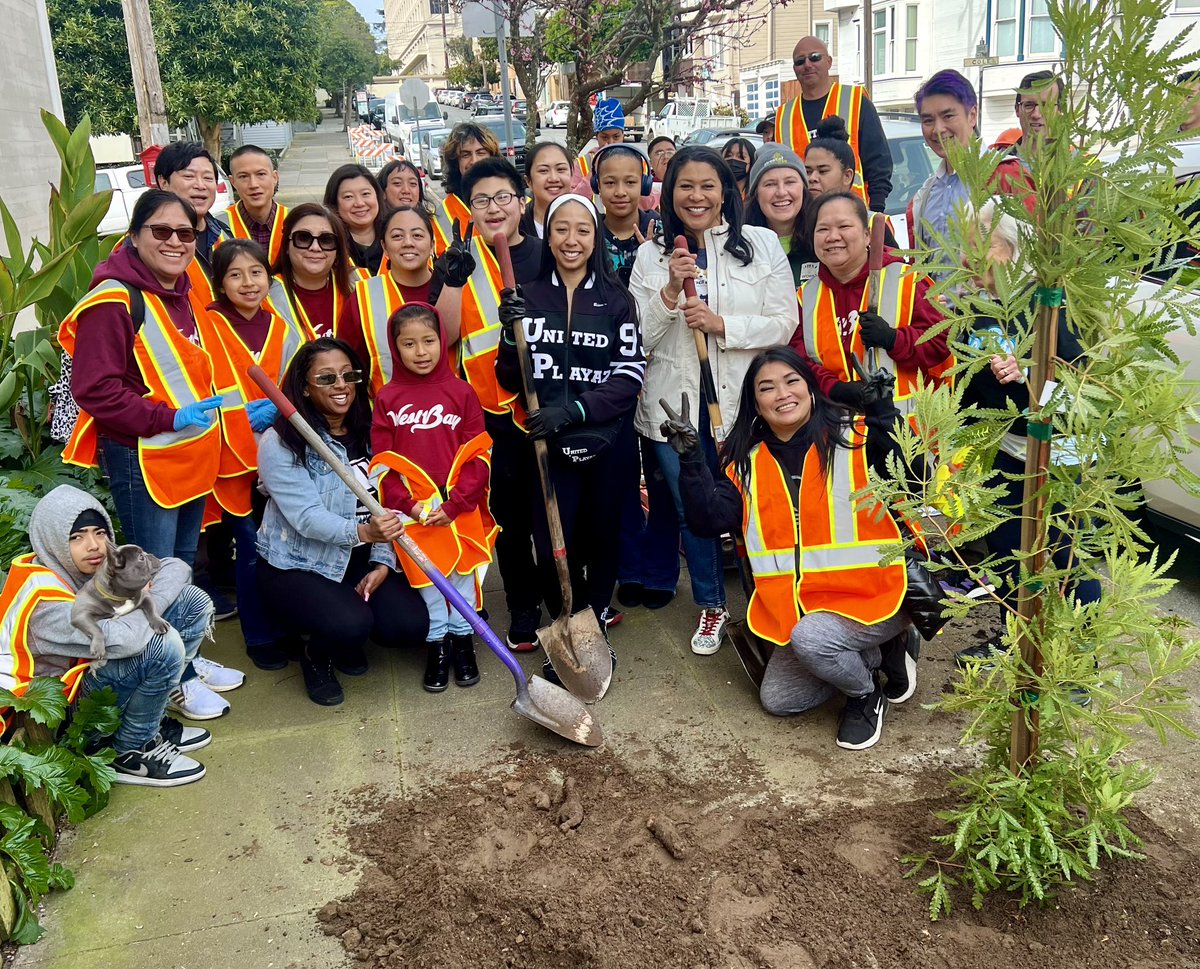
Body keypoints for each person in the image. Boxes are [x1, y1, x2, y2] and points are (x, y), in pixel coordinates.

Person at [670, 347, 917, 750]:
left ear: (811, 388)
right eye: (766, 388)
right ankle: (871, 657)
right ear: (756, 404)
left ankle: (865, 693)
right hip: (803, 614)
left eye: (791, 381)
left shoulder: (855, 438)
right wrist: (693, 463)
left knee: (814, 640)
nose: (782, 394)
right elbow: (706, 521)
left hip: (878, 599)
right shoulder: (745, 464)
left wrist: (884, 414)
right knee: (780, 700)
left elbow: (912, 474)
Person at [58, 189, 241, 719]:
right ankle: (169, 681)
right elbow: (96, 390)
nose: (176, 242)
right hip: (144, 463)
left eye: (186, 233)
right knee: (150, 585)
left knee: (179, 573)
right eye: (161, 231)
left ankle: (183, 663)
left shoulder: (178, 292)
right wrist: (165, 418)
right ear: (134, 235)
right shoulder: (114, 299)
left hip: (185, 461)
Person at [628, 145, 797, 656]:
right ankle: (711, 604)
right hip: (676, 408)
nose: (697, 196)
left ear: (726, 190)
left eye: (708, 185)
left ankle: (771, 596)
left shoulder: (761, 245)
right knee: (693, 510)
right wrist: (671, 293)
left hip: (745, 402)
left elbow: (784, 320)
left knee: (758, 504)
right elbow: (638, 336)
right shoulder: (650, 255)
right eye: (685, 186)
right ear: (668, 192)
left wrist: (724, 326)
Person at [495, 194, 646, 679]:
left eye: (583, 229)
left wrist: (575, 410)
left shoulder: (618, 298)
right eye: (561, 229)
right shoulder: (530, 296)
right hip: (546, 445)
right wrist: (507, 332)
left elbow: (629, 374)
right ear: (547, 235)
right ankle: (568, 616)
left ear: (595, 236)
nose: (572, 239)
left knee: (602, 534)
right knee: (552, 539)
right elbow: (508, 376)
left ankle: (595, 616)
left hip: (606, 439)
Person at [953, 200, 1099, 663]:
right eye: (965, 251)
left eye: (981, 251)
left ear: (1013, 252)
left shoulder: (1050, 305)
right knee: (1004, 546)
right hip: (1004, 447)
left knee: (1063, 554)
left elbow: (1085, 387)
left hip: (1060, 454)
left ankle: (1076, 653)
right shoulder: (978, 307)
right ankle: (1015, 638)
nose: (968, 262)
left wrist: (1036, 374)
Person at [2, 486, 216, 785]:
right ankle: (128, 749)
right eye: (76, 537)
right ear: (53, 541)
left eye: (99, 532)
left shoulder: (88, 568)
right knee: (159, 644)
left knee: (191, 603)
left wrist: (146, 598)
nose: (93, 546)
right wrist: (144, 598)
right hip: (52, 721)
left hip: (85, 683)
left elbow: (174, 567)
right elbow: (128, 640)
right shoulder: (44, 602)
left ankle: (141, 724)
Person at [256, 338, 428, 706]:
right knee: (349, 625)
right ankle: (317, 656)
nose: (341, 385)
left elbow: (387, 504)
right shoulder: (281, 442)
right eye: (326, 378)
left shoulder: (373, 432)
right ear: (304, 386)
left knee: (410, 626)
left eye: (348, 374)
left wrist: (383, 560)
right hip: (300, 564)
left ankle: (347, 630)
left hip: (362, 558)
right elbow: (305, 517)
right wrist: (363, 532)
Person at [370, 304, 495, 693]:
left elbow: (479, 454)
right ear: (395, 347)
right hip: (414, 514)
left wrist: (455, 504)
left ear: (442, 341)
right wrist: (410, 506)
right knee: (428, 582)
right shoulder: (388, 397)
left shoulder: (461, 391)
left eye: (428, 341)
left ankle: (463, 644)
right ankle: (437, 646)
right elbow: (382, 465)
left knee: (461, 580)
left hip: (459, 509)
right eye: (409, 344)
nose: (420, 351)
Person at [199, 239, 311, 671]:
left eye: (256, 272)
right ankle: (258, 634)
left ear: (270, 277)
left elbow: (296, 383)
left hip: (276, 455)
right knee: (248, 547)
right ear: (220, 283)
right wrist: (240, 415)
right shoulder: (206, 324)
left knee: (280, 544)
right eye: (235, 274)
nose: (248, 283)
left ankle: (285, 627)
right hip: (230, 456)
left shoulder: (282, 326)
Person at [454, 156, 545, 651]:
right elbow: (448, 336)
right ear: (470, 208)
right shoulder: (463, 264)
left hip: (548, 406)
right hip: (494, 414)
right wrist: (450, 281)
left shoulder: (547, 253)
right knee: (509, 518)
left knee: (554, 508)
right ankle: (524, 604)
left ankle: (567, 598)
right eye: (481, 200)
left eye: (502, 197)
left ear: (521, 201)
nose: (493, 208)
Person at [792, 191, 950, 419]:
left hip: (905, 432)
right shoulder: (805, 296)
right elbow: (799, 361)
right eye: (823, 229)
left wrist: (894, 339)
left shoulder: (906, 279)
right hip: (837, 433)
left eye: (844, 226)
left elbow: (941, 343)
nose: (833, 236)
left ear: (868, 235)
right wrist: (834, 388)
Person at [339, 206, 463, 395]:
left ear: (432, 245)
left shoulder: (455, 288)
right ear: (384, 247)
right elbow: (350, 366)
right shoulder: (364, 296)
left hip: (452, 414)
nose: (408, 243)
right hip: (389, 418)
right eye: (397, 236)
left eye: (418, 236)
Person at [774, 36, 893, 213]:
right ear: (794, 69)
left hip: (854, 215)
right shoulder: (783, 115)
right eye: (800, 61)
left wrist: (876, 210)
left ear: (829, 62)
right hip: (804, 221)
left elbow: (878, 161)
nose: (807, 64)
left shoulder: (855, 101)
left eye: (815, 57)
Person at [908, 70, 980, 269]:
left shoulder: (1003, 177)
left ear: (972, 116)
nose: (938, 129)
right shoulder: (927, 193)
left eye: (948, 116)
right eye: (928, 120)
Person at [153, 142, 233, 314]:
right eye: (189, 176)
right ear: (163, 182)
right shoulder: (147, 243)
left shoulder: (225, 234)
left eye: (208, 178)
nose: (200, 185)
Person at [805, 119, 899, 248]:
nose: (812, 178)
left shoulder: (872, 224)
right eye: (808, 171)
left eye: (823, 171)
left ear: (847, 176)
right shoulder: (798, 225)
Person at [270, 202, 357, 339]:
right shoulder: (264, 295)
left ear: (338, 250)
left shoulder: (359, 285)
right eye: (303, 238)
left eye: (326, 240)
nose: (315, 247)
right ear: (286, 245)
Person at [991, 71, 1066, 213]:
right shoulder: (996, 167)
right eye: (1029, 105)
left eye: (1046, 105)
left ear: (1060, 109)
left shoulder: (1079, 167)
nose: (1036, 114)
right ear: (1017, 109)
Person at [743, 144, 817, 287]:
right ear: (756, 194)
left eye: (790, 182)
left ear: (803, 188)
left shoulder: (822, 239)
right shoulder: (738, 244)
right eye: (770, 184)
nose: (781, 192)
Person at [594, 144, 659, 286]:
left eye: (630, 182)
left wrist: (656, 258)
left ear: (644, 185)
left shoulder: (661, 232)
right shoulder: (589, 232)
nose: (620, 192)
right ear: (598, 186)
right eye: (610, 183)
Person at [438, 123, 501, 245]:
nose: (474, 161)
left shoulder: (521, 202)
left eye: (481, 153)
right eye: (465, 155)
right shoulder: (442, 215)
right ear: (456, 162)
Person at [226, 145, 289, 262]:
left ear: (275, 177)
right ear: (233, 182)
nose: (253, 184)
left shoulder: (293, 221)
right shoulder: (218, 226)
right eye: (243, 176)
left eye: (261, 174)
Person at [324, 163, 387, 274]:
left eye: (365, 194)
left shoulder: (395, 236)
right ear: (334, 203)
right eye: (348, 197)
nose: (359, 203)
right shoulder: (326, 245)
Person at [521, 142, 575, 239]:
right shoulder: (516, 226)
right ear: (528, 181)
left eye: (561, 169)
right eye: (543, 171)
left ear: (571, 176)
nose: (553, 178)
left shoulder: (588, 221)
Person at [577, 98, 627, 179]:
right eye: (605, 137)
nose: (610, 143)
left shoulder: (637, 162)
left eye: (616, 137)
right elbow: (572, 191)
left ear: (623, 135)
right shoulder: (582, 164)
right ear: (597, 137)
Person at [646, 136, 677, 211]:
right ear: (650, 163)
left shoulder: (686, 184)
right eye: (659, 153)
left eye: (670, 152)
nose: (665, 156)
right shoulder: (645, 189)